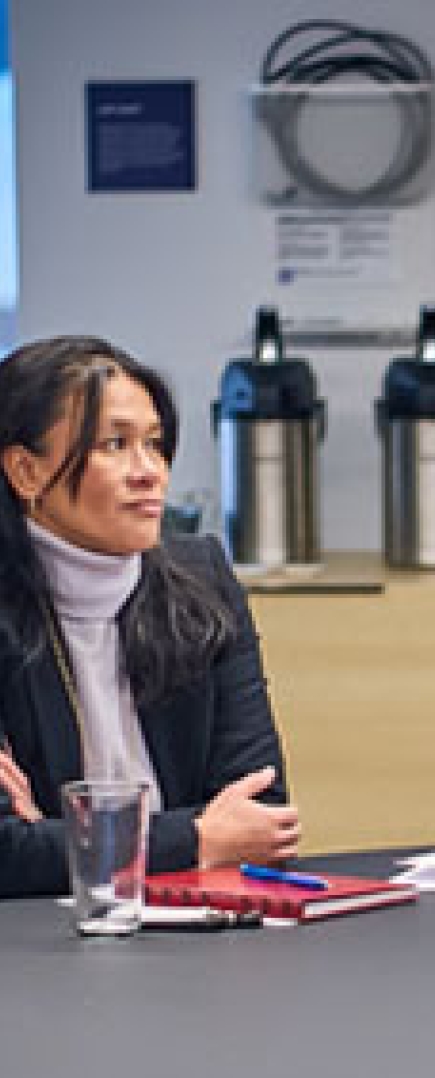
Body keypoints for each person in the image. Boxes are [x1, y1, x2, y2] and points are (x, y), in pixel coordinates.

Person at [0, 335, 301, 897]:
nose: (149, 473)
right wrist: (195, 838)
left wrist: (65, 840)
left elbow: (261, 817)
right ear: (25, 471)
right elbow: (5, 857)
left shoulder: (202, 580)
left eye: (155, 445)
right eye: (114, 445)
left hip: (194, 927)